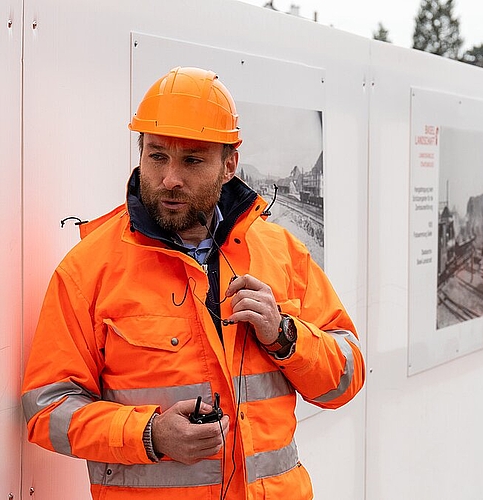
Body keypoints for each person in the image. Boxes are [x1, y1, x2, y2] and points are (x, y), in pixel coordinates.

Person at [22, 66, 365, 500]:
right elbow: (45, 409)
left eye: (192, 160)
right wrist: (150, 434)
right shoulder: (89, 269)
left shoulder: (282, 253)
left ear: (229, 165)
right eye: (157, 155)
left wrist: (285, 335)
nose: (170, 178)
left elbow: (346, 377)